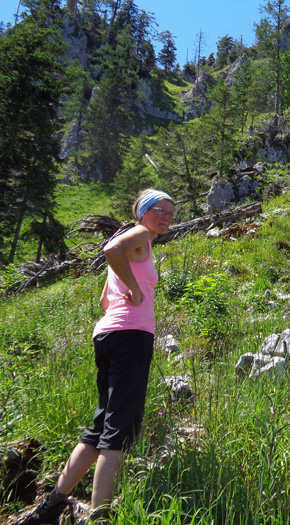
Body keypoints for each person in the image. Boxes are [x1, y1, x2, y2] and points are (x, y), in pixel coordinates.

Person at [22, 190, 174, 525]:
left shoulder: (140, 242)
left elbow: (106, 299)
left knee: (100, 427)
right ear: (144, 212)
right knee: (118, 429)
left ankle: (50, 508)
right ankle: (100, 516)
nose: (167, 218)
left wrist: (126, 294)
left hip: (109, 335)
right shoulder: (139, 235)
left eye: (171, 214)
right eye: (161, 211)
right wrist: (135, 289)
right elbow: (110, 250)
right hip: (131, 336)